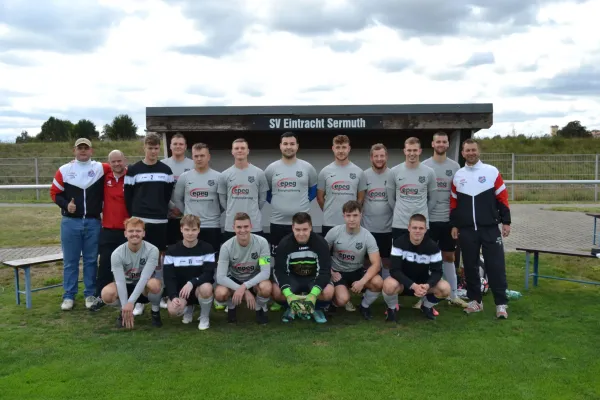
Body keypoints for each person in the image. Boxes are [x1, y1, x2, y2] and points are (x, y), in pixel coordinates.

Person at [450, 139, 511, 319]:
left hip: (490, 228)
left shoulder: (491, 172)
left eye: (473, 150)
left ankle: (501, 304)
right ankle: (475, 301)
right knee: (469, 266)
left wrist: (506, 222)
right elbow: (453, 203)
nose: (471, 153)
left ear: (478, 151)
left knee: (496, 265)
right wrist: (454, 224)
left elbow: (503, 198)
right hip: (467, 230)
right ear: (462, 153)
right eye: (467, 150)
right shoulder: (458, 175)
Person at [50, 138, 104, 311]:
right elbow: (54, 193)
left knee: (90, 260)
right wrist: (66, 205)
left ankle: (89, 294)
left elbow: (119, 167)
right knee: (70, 261)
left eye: (86, 148)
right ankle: (68, 296)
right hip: (70, 222)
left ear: (91, 151)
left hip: (93, 222)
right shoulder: (64, 170)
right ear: (74, 151)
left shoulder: (100, 168)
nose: (83, 151)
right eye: (79, 148)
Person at [124, 133, 175, 314]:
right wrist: (136, 215)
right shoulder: (133, 170)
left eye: (156, 148)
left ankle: (158, 294)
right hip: (140, 221)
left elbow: (167, 194)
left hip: (160, 221)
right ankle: (140, 299)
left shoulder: (166, 170)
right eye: (150, 148)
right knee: (140, 259)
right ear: (144, 148)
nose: (153, 152)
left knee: (159, 260)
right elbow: (128, 196)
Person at [422, 132, 467, 308]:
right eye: (438, 141)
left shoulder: (455, 167)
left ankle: (453, 294)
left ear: (448, 144)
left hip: (448, 220)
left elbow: (459, 195)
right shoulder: (425, 166)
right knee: (427, 258)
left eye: (444, 141)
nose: (441, 144)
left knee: (448, 256)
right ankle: (424, 295)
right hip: (429, 220)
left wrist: (457, 221)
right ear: (432, 144)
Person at [382, 214, 450, 322]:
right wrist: (412, 286)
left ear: (425, 230)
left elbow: (437, 272)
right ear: (409, 228)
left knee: (445, 288)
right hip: (402, 284)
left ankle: (426, 306)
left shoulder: (433, 247)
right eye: (414, 227)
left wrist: (427, 285)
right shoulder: (399, 243)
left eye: (421, 228)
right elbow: (394, 270)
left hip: (423, 285)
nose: (417, 231)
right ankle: (392, 308)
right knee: (388, 285)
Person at [101, 217, 163, 329]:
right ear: (125, 233)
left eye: (138, 231)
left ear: (143, 233)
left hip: (144, 288)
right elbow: (120, 282)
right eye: (131, 231)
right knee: (106, 293)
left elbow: (144, 278)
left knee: (155, 285)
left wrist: (131, 303)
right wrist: (126, 306)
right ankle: (123, 312)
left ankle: (155, 312)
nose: (135, 234)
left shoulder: (152, 250)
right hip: (126, 286)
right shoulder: (117, 254)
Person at [272, 212, 335, 324]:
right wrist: (289, 295)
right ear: (293, 228)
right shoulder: (284, 244)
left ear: (310, 227)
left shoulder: (321, 243)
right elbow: (280, 271)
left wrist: (313, 294)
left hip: (312, 278)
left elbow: (325, 271)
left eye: (305, 229)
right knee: (277, 292)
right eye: (298, 229)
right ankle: (292, 306)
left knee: (328, 292)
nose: (301, 233)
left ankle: (315, 308)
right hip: (293, 278)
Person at [324, 201, 383, 320]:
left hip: (357, 271)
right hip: (338, 273)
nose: (352, 219)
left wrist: (362, 281)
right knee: (343, 299)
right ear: (343, 216)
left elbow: (376, 264)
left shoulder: (367, 236)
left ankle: (364, 306)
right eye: (348, 215)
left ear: (361, 215)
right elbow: (321, 255)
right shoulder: (334, 232)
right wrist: (331, 272)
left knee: (378, 282)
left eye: (355, 215)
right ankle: (332, 304)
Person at [264, 131, 318, 256]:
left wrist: (302, 201)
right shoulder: (271, 168)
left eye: (292, 144)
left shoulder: (308, 168)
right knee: (274, 255)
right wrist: (277, 203)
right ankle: (271, 274)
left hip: (302, 224)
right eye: (285, 144)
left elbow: (313, 191)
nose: (289, 147)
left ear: (297, 146)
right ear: (280, 146)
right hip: (278, 222)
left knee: (303, 255)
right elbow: (265, 192)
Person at [215, 212, 272, 325]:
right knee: (220, 293)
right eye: (239, 227)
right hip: (235, 279)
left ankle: (259, 308)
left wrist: (245, 286)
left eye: (246, 226)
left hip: (254, 279)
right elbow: (220, 277)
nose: (243, 230)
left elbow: (265, 272)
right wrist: (243, 290)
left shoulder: (262, 243)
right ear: (233, 228)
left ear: (251, 226)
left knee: (266, 287)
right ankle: (232, 306)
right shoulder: (226, 247)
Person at [90, 150, 129, 312]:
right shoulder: (104, 177)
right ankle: (101, 296)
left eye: (119, 161)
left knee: (129, 266)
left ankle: (128, 298)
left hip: (127, 231)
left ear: (124, 160)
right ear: (109, 163)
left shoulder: (131, 177)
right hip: (108, 229)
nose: (117, 164)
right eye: (113, 162)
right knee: (105, 264)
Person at [163, 215, 216, 330]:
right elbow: (169, 277)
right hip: (181, 291)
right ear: (181, 229)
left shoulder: (207, 248)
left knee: (207, 288)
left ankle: (204, 317)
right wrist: (173, 296)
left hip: (198, 288)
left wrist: (192, 282)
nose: (190, 233)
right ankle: (188, 308)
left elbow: (209, 273)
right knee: (173, 310)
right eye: (187, 229)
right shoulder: (171, 250)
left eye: (194, 230)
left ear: (199, 230)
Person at [173, 142, 223, 253]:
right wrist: (187, 213)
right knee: (193, 260)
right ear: (193, 157)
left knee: (212, 260)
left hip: (212, 225)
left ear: (208, 157)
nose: (199, 159)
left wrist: (216, 212)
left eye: (202, 156)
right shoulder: (184, 177)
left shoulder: (219, 177)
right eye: (196, 156)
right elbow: (177, 199)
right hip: (191, 228)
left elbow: (224, 202)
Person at [218, 138, 269, 242]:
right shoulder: (224, 175)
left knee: (262, 255)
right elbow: (222, 200)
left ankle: (262, 260)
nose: (240, 150)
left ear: (248, 151)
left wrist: (253, 209)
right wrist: (231, 210)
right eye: (236, 148)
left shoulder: (259, 173)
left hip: (254, 225)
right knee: (231, 255)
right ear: (232, 151)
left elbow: (263, 198)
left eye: (242, 148)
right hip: (231, 225)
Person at [386, 137, 437, 240]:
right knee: (400, 256)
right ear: (405, 151)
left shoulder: (429, 172)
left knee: (420, 256)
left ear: (420, 151)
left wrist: (422, 214)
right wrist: (400, 211)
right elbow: (391, 200)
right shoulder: (394, 171)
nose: (412, 153)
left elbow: (433, 200)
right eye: (409, 150)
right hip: (400, 224)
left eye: (415, 150)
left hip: (421, 226)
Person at [317, 135, 366, 237]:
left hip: (351, 224)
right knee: (328, 253)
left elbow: (361, 199)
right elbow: (320, 198)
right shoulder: (324, 172)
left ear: (349, 149)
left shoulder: (359, 172)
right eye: (338, 147)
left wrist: (352, 215)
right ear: (333, 149)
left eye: (344, 147)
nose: (341, 151)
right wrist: (329, 210)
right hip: (329, 223)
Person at [361, 143, 393, 280]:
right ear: (371, 158)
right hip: (368, 227)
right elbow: (360, 200)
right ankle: (370, 287)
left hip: (388, 227)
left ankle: (386, 288)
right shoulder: (364, 175)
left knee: (386, 260)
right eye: (376, 156)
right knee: (368, 261)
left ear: (386, 156)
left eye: (382, 156)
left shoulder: (393, 174)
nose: (379, 159)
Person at [161, 133, 194, 246]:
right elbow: (159, 190)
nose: (178, 146)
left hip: (187, 214)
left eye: (181, 144)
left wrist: (181, 208)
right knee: (168, 248)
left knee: (188, 246)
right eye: (175, 144)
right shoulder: (162, 165)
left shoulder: (193, 164)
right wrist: (172, 206)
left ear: (185, 147)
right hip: (167, 214)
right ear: (170, 146)